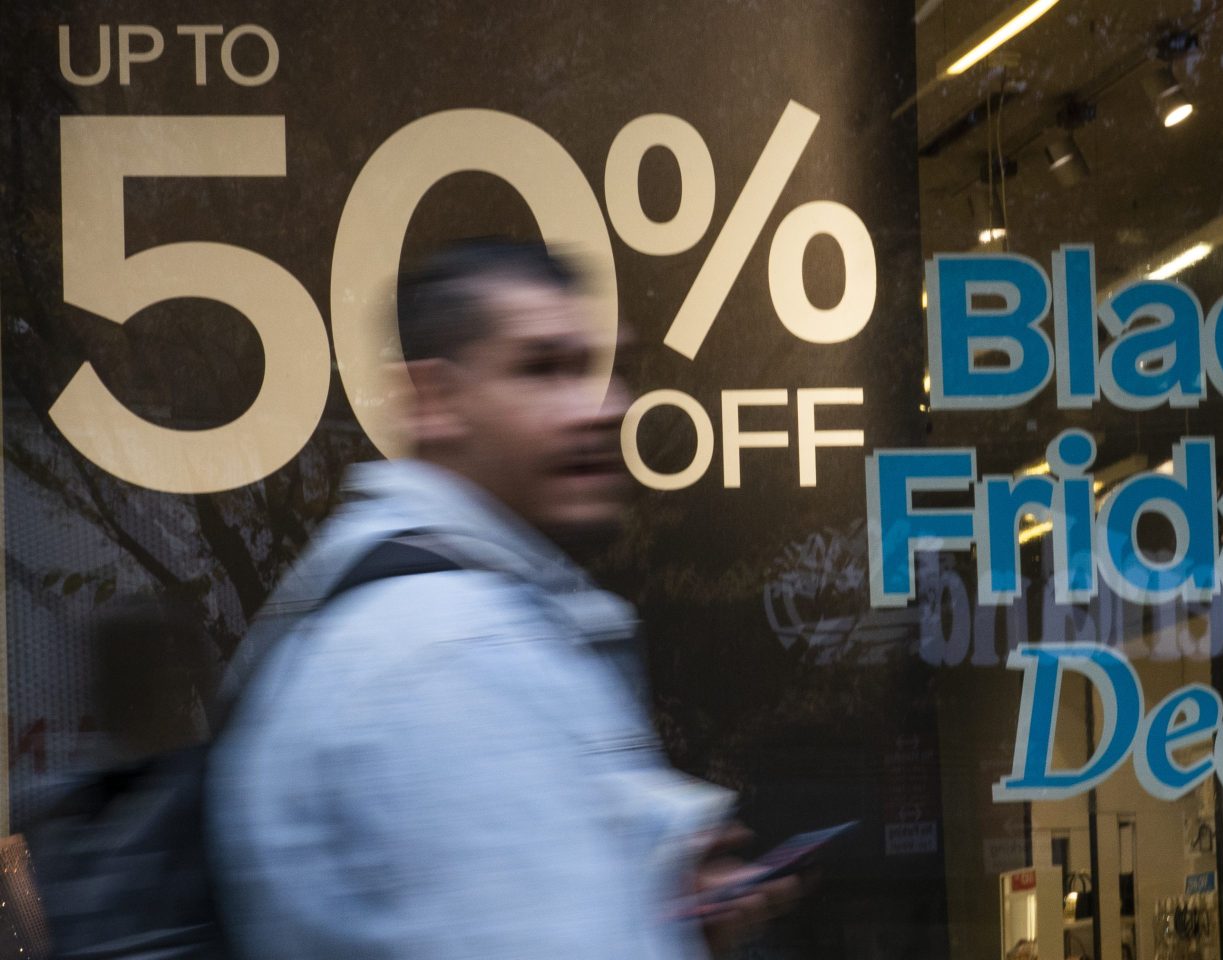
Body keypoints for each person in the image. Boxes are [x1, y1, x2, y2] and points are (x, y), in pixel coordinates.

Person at [208, 239, 790, 958]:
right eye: (543, 368)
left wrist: (653, 880)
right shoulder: (453, 656)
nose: (605, 407)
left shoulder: (416, 611)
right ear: (436, 400)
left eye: (608, 371)